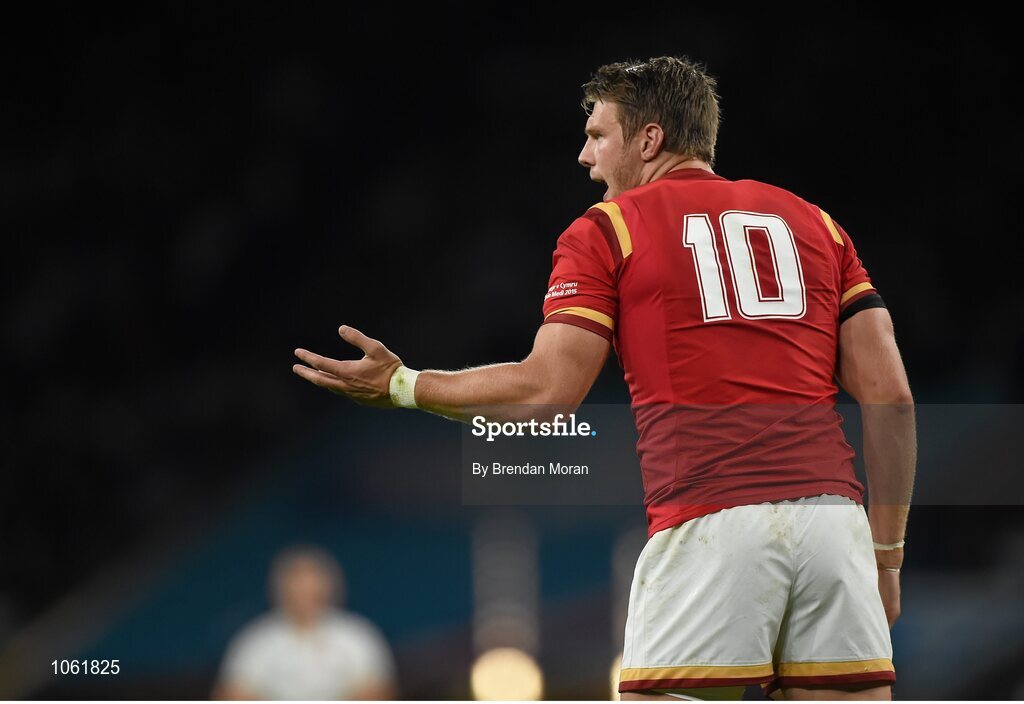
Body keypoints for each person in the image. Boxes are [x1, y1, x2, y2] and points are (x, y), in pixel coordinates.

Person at [292, 57, 915, 701]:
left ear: (649, 140)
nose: (585, 157)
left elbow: (545, 390)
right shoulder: (818, 224)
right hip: (835, 528)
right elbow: (891, 399)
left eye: (598, 135)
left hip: (711, 523)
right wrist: (886, 557)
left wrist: (402, 385)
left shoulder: (608, 228)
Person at [213, 546, 396, 700]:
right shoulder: (254, 640)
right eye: (296, 583)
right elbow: (232, 695)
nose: (304, 593)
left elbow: (378, 694)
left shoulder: (358, 635)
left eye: (311, 584)